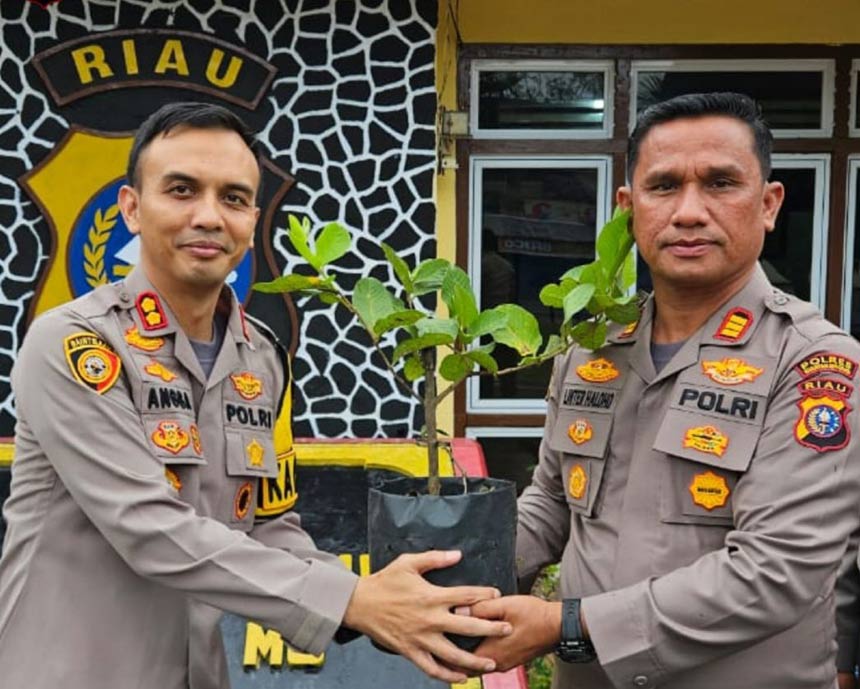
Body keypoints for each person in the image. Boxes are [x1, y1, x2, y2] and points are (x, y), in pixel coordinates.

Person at [0, 102, 510, 688]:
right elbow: (147, 527)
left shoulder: (261, 358)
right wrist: (353, 602)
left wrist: (386, 601)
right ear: (132, 209)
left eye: (234, 198)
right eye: (182, 190)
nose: (209, 216)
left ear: (253, 221)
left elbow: (268, 526)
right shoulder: (75, 344)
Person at [468, 92, 860, 688]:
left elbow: (778, 571)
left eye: (721, 183)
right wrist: (460, 576)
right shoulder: (591, 349)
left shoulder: (812, 364)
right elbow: (550, 503)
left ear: (769, 204)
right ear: (629, 209)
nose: (689, 212)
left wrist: (565, 625)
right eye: (664, 186)